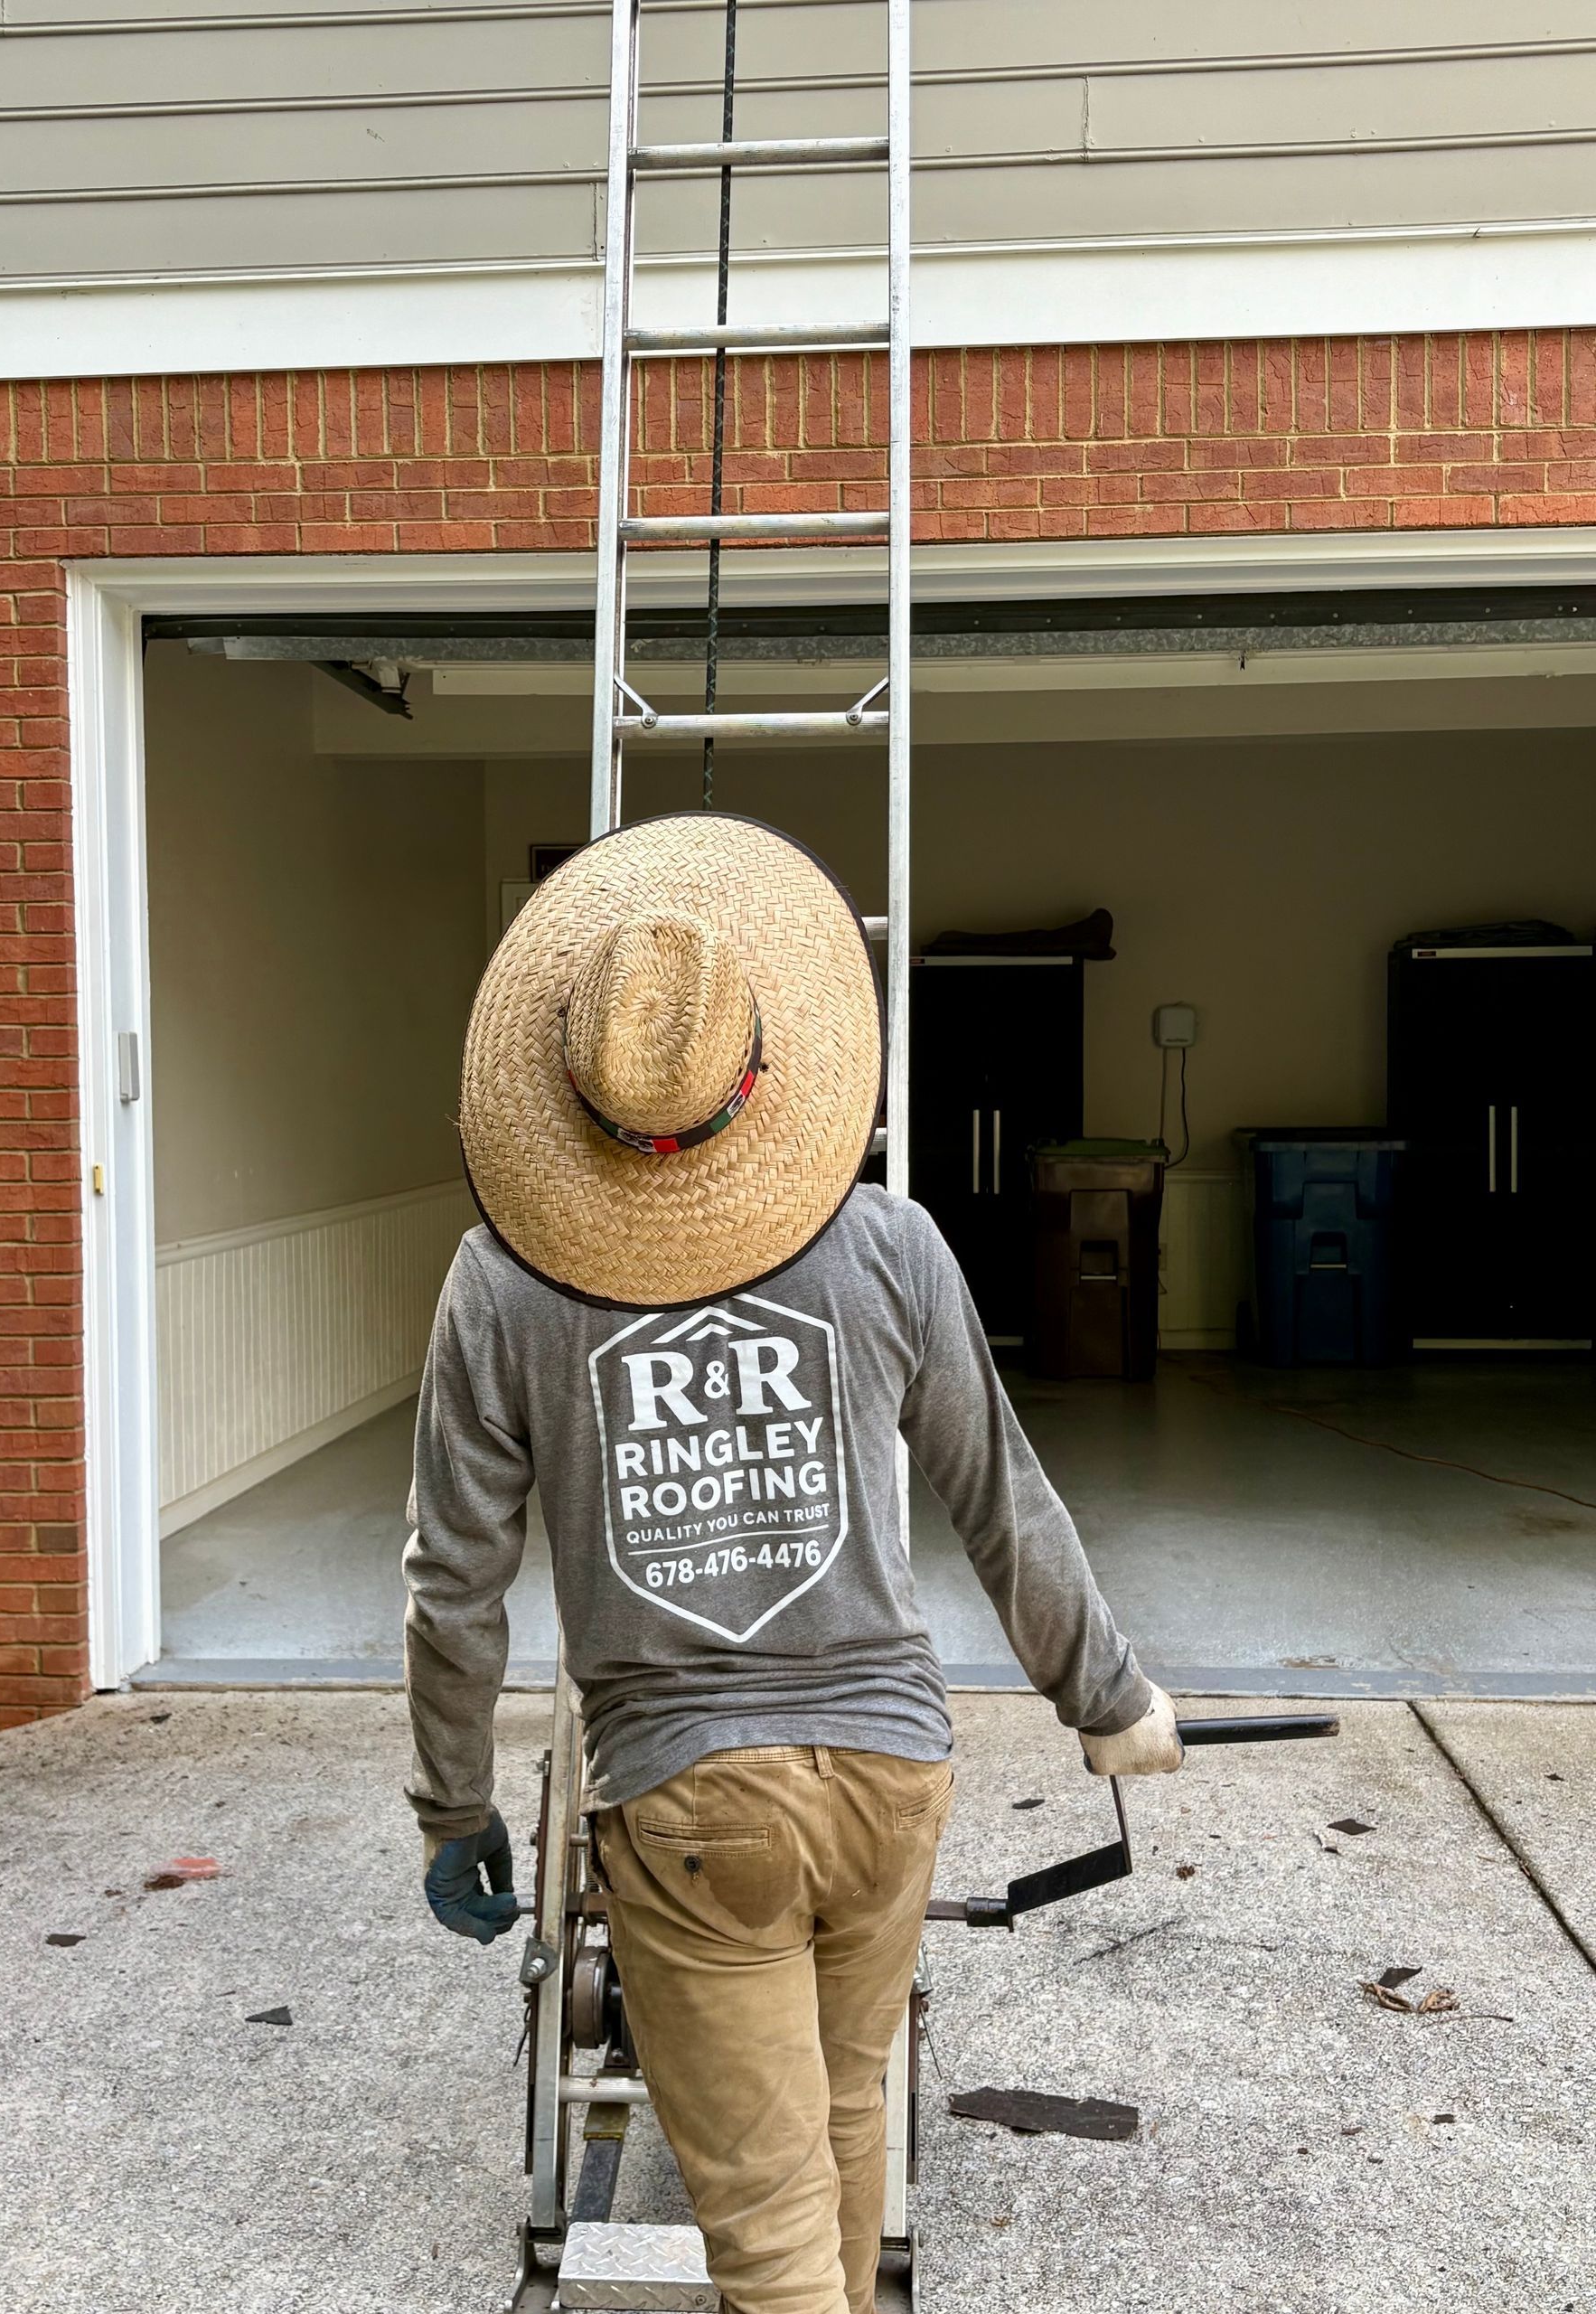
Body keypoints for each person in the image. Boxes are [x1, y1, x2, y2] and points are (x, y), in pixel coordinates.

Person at [403, 813, 1180, 2314]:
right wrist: (1110, 1695)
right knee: (837, 2132)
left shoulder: (503, 1281)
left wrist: (455, 1803)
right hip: (892, 1774)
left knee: (765, 2232)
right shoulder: (888, 1242)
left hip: (693, 1803)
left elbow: (455, 1581)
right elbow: (1001, 1494)